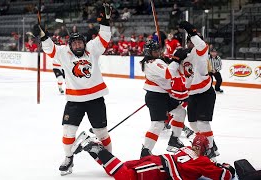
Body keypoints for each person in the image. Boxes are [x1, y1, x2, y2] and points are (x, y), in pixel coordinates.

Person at [33, 3, 112, 176]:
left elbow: (104, 38)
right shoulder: (63, 53)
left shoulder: (92, 49)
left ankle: (110, 160)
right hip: (75, 101)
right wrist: (43, 36)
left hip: (96, 99)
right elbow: (49, 48)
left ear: (84, 43)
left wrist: (105, 21)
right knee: (68, 131)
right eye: (74, 43)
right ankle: (68, 158)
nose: (77, 45)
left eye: (80, 42)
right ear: (70, 45)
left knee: (101, 132)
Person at [72, 132, 235, 180]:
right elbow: (223, 176)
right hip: (157, 169)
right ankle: (96, 147)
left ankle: (92, 149)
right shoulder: (202, 160)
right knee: (126, 177)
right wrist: (227, 168)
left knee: (119, 168)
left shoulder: (186, 148)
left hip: (155, 160)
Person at [139, 40, 189, 157]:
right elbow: (168, 74)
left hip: (163, 96)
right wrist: (175, 60)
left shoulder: (156, 61)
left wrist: (171, 61)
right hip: (155, 97)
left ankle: (174, 140)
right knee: (157, 124)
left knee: (181, 112)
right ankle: (145, 151)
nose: (158, 52)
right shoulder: (151, 62)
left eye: (158, 50)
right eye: (155, 51)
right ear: (148, 52)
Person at [177, 21, 219, 160]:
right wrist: (173, 59)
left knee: (202, 123)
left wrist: (191, 31)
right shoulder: (184, 55)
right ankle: (209, 142)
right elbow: (173, 72)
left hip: (205, 93)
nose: (193, 43)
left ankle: (210, 149)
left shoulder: (200, 50)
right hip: (193, 94)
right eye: (191, 41)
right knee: (193, 124)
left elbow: (200, 44)